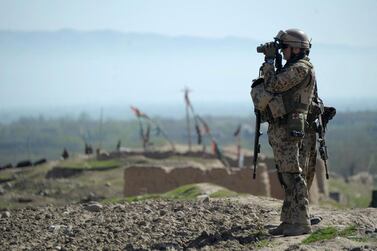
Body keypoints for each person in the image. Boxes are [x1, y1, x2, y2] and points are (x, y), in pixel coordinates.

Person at [251, 28, 315, 236]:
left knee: (293, 175)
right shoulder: (292, 66)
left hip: (290, 128)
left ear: (297, 49)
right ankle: (289, 220)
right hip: (283, 127)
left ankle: (301, 222)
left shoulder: (300, 69)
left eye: (285, 48)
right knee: (286, 175)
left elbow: (274, 85)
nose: (283, 51)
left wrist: (270, 62)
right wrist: (272, 63)